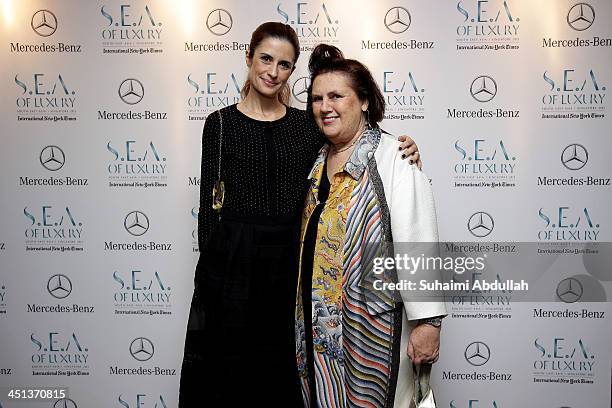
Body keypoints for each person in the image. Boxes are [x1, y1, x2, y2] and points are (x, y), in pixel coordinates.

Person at [179, 22, 422, 407]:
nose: (273, 71)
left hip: (288, 271)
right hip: (231, 272)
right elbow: (209, 211)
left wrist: (401, 146)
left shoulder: (306, 124)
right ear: (248, 57)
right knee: (226, 379)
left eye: (285, 64)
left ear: (293, 71)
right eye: (266, 59)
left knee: (287, 378)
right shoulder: (220, 124)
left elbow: (355, 134)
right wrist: (212, 276)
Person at [295, 44, 446, 407]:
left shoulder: (394, 156)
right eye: (317, 98)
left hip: (372, 328)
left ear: (363, 101)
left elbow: (418, 239)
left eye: (336, 96)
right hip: (318, 329)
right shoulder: (317, 160)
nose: (325, 106)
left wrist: (428, 323)